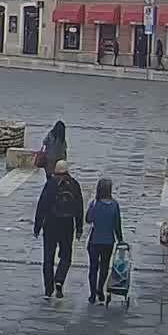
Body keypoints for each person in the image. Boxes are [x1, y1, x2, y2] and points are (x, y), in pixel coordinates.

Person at [33, 159, 84, 299]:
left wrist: (37, 226)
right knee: (66, 256)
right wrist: (79, 227)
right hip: (67, 224)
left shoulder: (50, 184)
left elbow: (42, 205)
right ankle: (60, 280)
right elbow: (79, 207)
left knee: (48, 257)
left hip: (50, 224)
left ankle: (48, 290)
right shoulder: (74, 184)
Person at [85, 177, 126, 303]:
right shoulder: (114, 205)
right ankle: (100, 290)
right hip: (108, 241)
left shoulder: (94, 203)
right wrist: (120, 240)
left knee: (93, 268)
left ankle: (92, 294)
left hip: (94, 241)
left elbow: (88, 219)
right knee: (104, 267)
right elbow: (117, 225)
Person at [38, 120, 68, 188]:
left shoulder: (50, 134)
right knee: (58, 176)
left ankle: (49, 187)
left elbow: (44, 142)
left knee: (49, 176)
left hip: (49, 158)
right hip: (59, 160)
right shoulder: (62, 138)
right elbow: (64, 149)